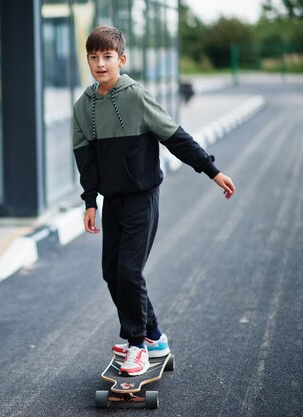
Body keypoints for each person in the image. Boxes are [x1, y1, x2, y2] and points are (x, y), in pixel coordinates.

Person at [72, 26, 235, 376]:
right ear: (87, 59)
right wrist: (90, 202)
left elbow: (175, 137)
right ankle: (155, 337)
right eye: (94, 57)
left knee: (129, 272)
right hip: (113, 201)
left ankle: (136, 344)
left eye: (107, 57)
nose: (100, 63)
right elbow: (85, 161)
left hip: (142, 198)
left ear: (122, 59)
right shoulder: (83, 107)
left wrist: (212, 170)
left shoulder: (137, 97)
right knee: (111, 274)